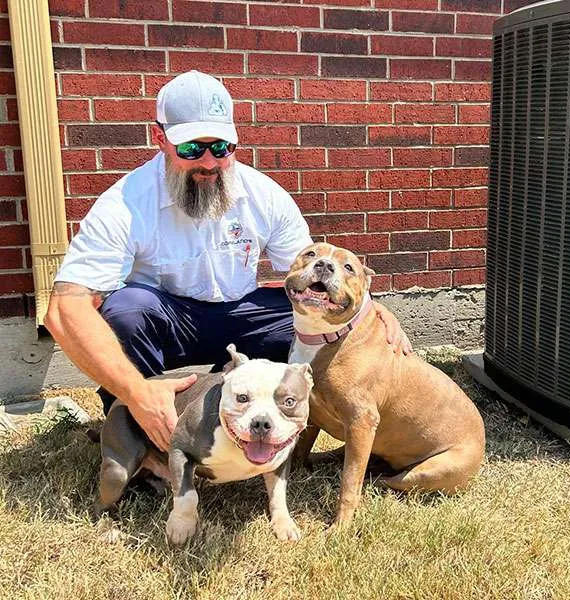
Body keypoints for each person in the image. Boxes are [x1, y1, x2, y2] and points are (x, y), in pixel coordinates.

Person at [44, 70, 410, 453]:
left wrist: (369, 310)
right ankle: (138, 430)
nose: (209, 162)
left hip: (239, 312)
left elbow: (309, 276)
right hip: (168, 320)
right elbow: (64, 310)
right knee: (126, 310)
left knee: (304, 317)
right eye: (191, 148)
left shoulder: (263, 195)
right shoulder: (125, 202)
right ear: (160, 139)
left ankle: (272, 414)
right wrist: (138, 392)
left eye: (221, 148)